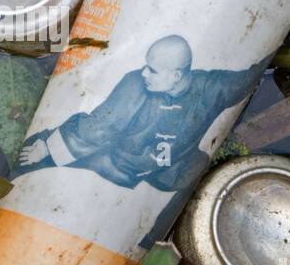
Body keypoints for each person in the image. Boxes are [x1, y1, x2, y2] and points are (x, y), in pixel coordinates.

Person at [14, 35, 265, 201]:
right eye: (146, 65)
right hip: (117, 163)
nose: (144, 72)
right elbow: (98, 127)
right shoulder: (135, 83)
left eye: (153, 70)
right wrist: (47, 146)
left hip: (171, 173)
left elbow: (249, 77)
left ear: (177, 76)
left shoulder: (213, 87)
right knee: (32, 159)